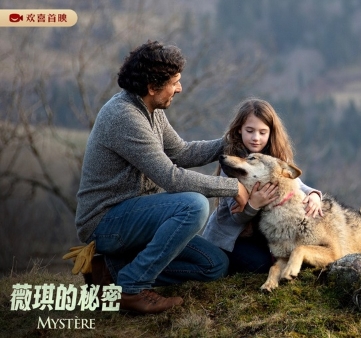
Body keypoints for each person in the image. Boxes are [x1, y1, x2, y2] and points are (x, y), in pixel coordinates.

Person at [74, 41, 250, 314]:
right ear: (152, 87)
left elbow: (180, 152)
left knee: (214, 264)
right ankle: (132, 288)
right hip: (105, 222)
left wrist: (228, 143)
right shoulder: (124, 116)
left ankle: (109, 271)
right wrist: (232, 187)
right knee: (194, 205)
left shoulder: (150, 111)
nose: (179, 88)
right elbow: (172, 178)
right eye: (175, 82)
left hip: (140, 218)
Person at [202, 98, 323, 274]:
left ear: (271, 133)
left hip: (260, 236)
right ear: (239, 130)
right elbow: (236, 218)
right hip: (230, 239)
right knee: (263, 266)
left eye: (262, 132)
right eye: (250, 131)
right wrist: (253, 205)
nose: (256, 138)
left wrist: (313, 194)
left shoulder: (274, 158)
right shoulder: (232, 165)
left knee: (283, 258)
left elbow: (295, 182)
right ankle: (219, 264)